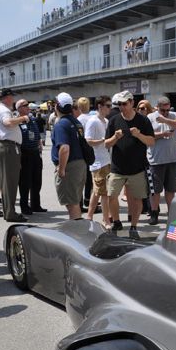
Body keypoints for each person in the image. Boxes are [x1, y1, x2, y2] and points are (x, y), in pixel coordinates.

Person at [105, 91, 155, 239]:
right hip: (117, 167)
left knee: (137, 199)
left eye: (124, 104)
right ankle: (117, 222)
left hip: (137, 168)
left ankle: (134, 225)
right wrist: (115, 137)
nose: (121, 107)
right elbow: (106, 143)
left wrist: (138, 135)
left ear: (132, 103)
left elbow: (152, 141)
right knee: (111, 195)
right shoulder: (113, 120)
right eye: (119, 104)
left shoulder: (143, 121)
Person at [147, 97, 176, 225]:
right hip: (156, 160)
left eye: (167, 109)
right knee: (155, 190)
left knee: (171, 189)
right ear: (157, 107)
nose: (165, 112)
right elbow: (147, 135)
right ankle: (154, 213)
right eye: (163, 110)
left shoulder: (173, 115)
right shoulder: (150, 117)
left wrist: (165, 120)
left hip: (173, 159)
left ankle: (171, 214)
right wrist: (162, 135)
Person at [0, 89, 28, 222]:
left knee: (9, 181)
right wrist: (22, 118)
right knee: (10, 181)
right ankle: (10, 213)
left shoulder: (3, 109)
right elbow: (7, 123)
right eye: (11, 96)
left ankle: (9, 211)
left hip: (8, 146)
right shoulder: (4, 110)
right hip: (9, 147)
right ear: (7, 97)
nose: (13, 99)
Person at [51, 92, 86, 219]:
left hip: (70, 165)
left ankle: (77, 232)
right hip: (80, 164)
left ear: (57, 106)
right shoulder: (76, 122)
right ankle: (78, 228)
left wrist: (61, 169)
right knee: (75, 201)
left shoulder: (61, 124)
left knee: (72, 203)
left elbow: (64, 148)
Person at [85, 96, 112, 227]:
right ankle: (105, 220)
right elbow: (88, 141)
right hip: (97, 162)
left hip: (106, 160)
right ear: (100, 106)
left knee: (98, 192)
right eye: (107, 105)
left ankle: (89, 216)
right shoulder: (93, 121)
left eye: (110, 105)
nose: (110, 108)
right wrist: (103, 140)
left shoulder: (105, 121)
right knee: (104, 192)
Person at [15, 99, 45, 215]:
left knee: (37, 180)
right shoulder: (18, 121)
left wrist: (39, 144)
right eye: (25, 105)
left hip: (35, 152)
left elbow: (36, 135)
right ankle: (24, 206)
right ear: (19, 108)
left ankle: (35, 205)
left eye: (28, 105)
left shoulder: (32, 119)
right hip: (25, 153)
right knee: (25, 181)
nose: (28, 107)